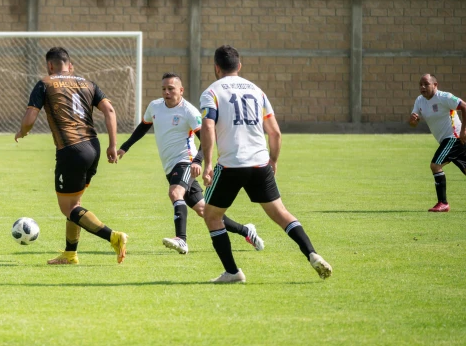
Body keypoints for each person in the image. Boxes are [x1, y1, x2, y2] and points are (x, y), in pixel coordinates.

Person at [198, 45, 332, 283]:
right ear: (239, 66)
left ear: (216, 68)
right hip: (260, 164)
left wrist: (208, 163)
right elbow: (275, 133)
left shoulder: (211, 92)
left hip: (231, 165)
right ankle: (312, 253)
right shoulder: (257, 91)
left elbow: (208, 126)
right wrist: (274, 160)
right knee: (281, 214)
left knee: (212, 216)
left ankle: (232, 272)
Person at [116, 72, 264, 255]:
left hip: (185, 161)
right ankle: (246, 230)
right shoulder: (155, 106)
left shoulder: (189, 111)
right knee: (204, 210)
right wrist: (125, 147)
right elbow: (144, 126)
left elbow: (207, 139)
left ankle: (181, 240)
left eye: (171, 89)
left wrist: (197, 161)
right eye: (163, 89)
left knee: (175, 192)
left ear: (181, 90)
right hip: (170, 166)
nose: (166, 92)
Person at [15, 47, 129, 265]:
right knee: (75, 203)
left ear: (49, 65)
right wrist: (113, 145)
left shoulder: (45, 83)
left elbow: (30, 117)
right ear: (70, 65)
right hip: (93, 147)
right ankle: (70, 254)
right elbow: (110, 111)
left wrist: (23, 131)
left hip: (71, 151)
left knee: (68, 208)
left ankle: (114, 237)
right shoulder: (88, 84)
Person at [409, 74, 466, 212]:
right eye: (420, 84)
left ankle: (443, 203)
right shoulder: (420, 100)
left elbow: (464, 106)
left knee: (435, 165)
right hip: (447, 140)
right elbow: (412, 124)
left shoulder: (444, 97)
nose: (422, 87)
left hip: (454, 137)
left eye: (426, 84)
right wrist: (413, 120)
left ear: (435, 85)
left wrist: (464, 131)